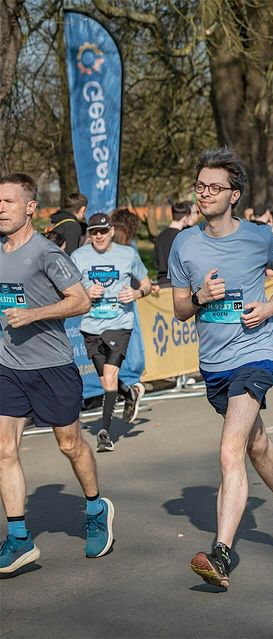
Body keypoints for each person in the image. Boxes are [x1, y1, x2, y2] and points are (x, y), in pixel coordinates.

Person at [168, 148, 273, 589]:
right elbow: (179, 310)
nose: (204, 193)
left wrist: (268, 308)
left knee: (230, 449)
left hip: (254, 354)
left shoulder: (259, 237)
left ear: (234, 195)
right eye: (200, 186)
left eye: (214, 187)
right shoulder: (183, 243)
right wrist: (201, 298)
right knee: (255, 443)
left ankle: (222, 554)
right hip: (214, 364)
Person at [0, 173, 114, 574]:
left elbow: (81, 301)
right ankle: (18, 538)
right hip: (8, 368)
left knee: (70, 446)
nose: (0, 208)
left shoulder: (48, 253)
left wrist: (33, 314)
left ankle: (97, 508)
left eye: (9, 202)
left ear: (30, 207)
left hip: (52, 368)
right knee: (4, 450)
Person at [70, 213, 152, 452]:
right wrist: (86, 292)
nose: (99, 236)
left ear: (111, 232)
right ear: (89, 234)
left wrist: (136, 294)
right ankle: (129, 393)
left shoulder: (127, 255)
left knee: (109, 376)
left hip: (119, 323)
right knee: (106, 379)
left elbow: (146, 284)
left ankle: (104, 433)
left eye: (103, 231)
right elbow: (69, 288)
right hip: (90, 327)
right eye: (94, 232)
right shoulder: (79, 256)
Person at [154, 201, 199, 289]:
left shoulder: (160, 236)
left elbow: (156, 261)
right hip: (177, 285)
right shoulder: (183, 238)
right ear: (185, 217)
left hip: (161, 284)